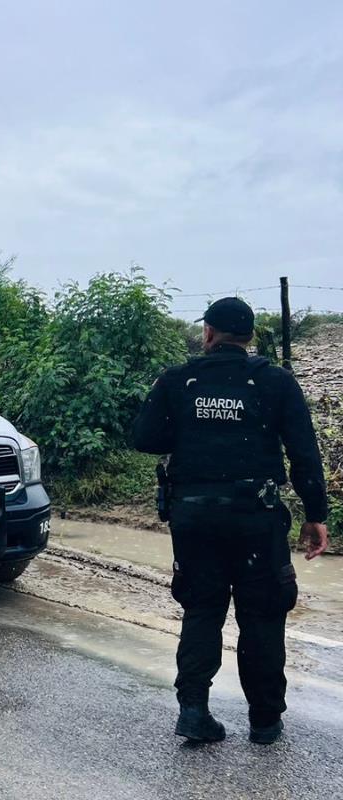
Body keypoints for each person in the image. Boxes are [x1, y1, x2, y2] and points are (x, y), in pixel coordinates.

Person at [132, 296, 330, 745]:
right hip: (256, 519)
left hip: (194, 518)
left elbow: (145, 438)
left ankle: (194, 711)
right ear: (250, 336)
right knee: (262, 615)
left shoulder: (178, 380)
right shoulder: (276, 382)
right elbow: (304, 455)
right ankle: (264, 720)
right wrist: (316, 516)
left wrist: (191, 426)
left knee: (202, 608)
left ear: (207, 333)